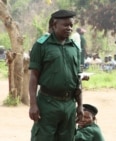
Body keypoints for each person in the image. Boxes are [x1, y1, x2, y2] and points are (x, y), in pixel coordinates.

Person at [29, 9, 84, 141]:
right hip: (48, 103)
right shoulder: (41, 46)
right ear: (54, 25)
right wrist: (33, 104)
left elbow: (78, 79)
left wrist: (80, 105)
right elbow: (34, 77)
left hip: (70, 105)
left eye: (71, 25)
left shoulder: (74, 48)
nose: (69, 28)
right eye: (65, 25)